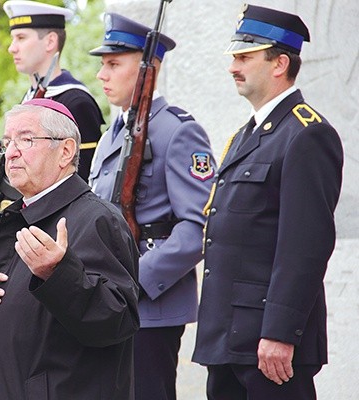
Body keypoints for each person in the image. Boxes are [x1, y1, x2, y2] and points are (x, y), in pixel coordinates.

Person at [192, 4, 344, 400]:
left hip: (268, 344)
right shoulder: (248, 134)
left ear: (279, 63)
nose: (232, 67)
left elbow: (305, 246)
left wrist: (279, 331)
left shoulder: (306, 135)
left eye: (244, 57)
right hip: (228, 339)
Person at [0, 99, 140, 399]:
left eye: (26, 139)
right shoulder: (17, 219)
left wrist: (59, 274)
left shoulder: (97, 218)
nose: (11, 152)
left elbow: (116, 322)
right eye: (6, 142)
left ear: (65, 151)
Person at [88, 13, 215, 400]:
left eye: (114, 64)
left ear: (149, 70)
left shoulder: (177, 131)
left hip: (149, 309)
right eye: (102, 65)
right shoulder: (113, 135)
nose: (101, 75)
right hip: (106, 304)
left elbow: (198, 229)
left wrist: (132, 280)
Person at [0, 0, 104, 222]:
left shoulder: (75, 102)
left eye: (21, 38)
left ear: (50, 41)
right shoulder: (31, 99)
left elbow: (83, 181)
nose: (12, 47)